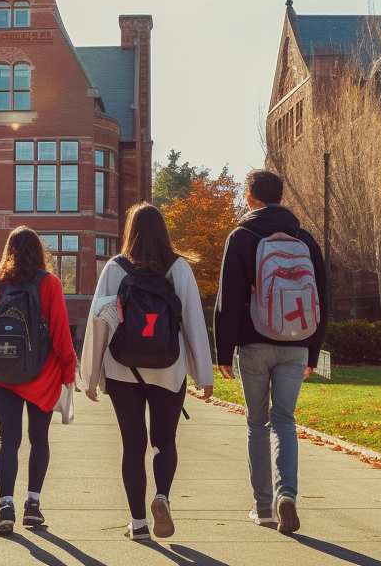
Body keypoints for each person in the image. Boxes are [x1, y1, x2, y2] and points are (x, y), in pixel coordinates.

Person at [79, 203, 215, 541]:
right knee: (163, 441)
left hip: (123, 370)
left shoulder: (115, 268)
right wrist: (204, 375)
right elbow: (194, 321)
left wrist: (91, 375)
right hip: (169, 371)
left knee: (132, 444)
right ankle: (162, 497)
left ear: (130, 231)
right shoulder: (178, 267)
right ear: (163, 231)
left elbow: (99, 322)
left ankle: (138, 524)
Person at [214, 169, 329, 534]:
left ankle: (263, 508)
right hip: (297, 344)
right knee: (284, 420)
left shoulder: (242, 236)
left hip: (254, 343)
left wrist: (223, 351)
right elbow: (322, 298)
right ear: (281, 196)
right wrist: (313, 352)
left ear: (250, 197)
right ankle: (287, 495)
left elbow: (228, 300)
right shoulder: (305, 239)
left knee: (256, 423)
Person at [0, 226, 77, 536]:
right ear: (40, 252)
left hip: (2, 379)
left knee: (8, 441)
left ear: (8, 252)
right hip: (42, 376)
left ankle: (6, 506)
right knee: (39, 439)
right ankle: (33, 506)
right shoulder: (50, 284)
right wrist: (68, 372)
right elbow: (61, 335)